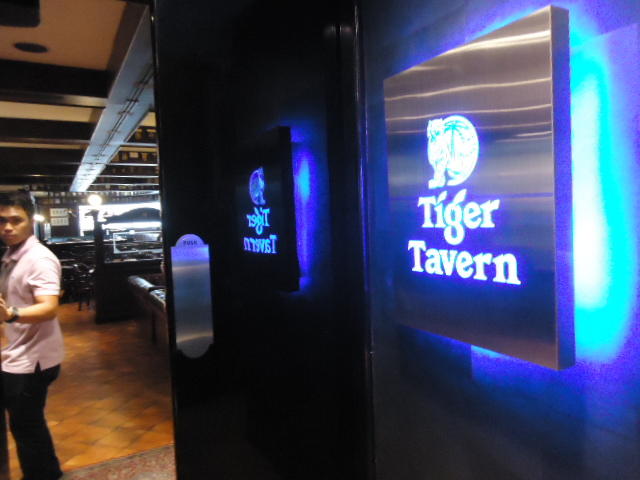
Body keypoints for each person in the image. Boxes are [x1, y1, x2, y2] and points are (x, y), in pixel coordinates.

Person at [0, 191, 64, 480]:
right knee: (27, 424)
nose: (8, 227)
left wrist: (10, 314)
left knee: (27, 426)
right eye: (2, 221)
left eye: (16, 220)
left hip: (33, 359)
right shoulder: (12, 254)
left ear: (31, 221)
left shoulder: (39, 259)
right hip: (18, 352)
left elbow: (49, 308)